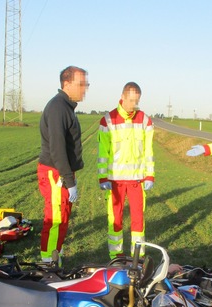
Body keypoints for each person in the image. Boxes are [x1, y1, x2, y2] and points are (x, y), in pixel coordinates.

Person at [97, 82, 155, 259]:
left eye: (137, 101)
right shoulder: (108, 120)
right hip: (115, 181)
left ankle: (138, 255)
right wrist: (103, 177)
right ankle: (116, 256)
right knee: (115, 220)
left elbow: (148, 151)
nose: (134, 105)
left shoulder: (145, 120)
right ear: (122, 97)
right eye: (131, 101)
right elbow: (103, 153)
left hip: (137, 180)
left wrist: (150, 175)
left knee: (138, 221)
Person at [37, 65, 89, 264]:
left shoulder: (66, 107)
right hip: (55, 173)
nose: (84, 88)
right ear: (67, 84)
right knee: (56, 220)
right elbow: (57, 149)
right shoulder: (58, 107)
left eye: (86, 84)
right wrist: (69, 180)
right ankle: (47, 265)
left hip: (62, 173)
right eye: (81, 84)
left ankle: (55, 257)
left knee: (63, 218)